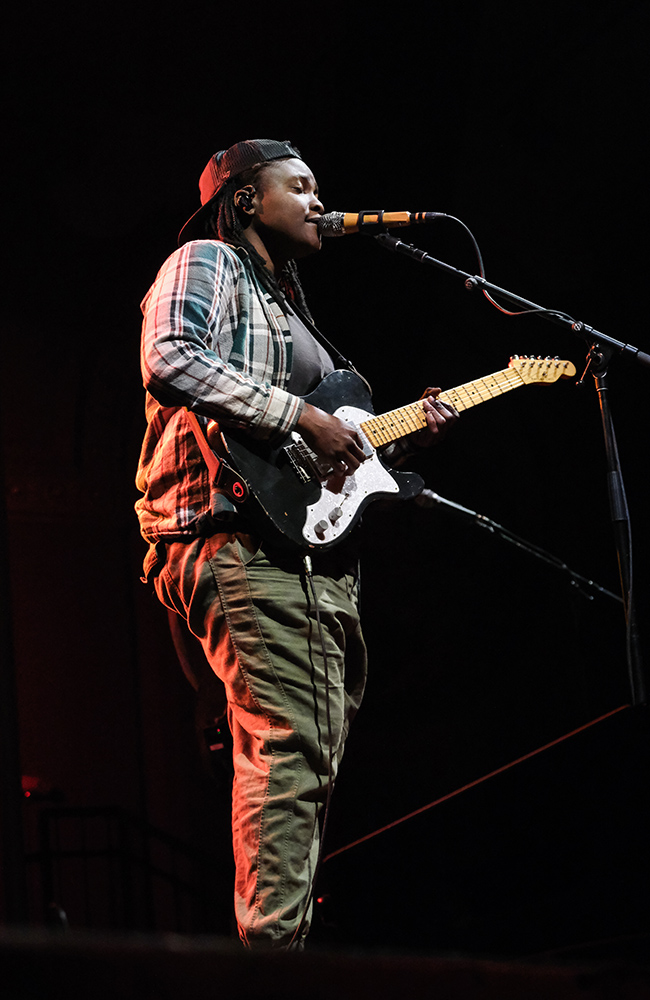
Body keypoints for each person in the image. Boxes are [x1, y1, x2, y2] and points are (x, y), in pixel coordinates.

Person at [135, 139, 458, 949]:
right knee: (290, 748)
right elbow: (169, 355)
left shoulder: (291, 307)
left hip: (301, 549)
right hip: (235, 535)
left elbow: (319, 454)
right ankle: (272, 967)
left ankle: (282, 951)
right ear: (247, 199)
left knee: (310, 753)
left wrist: (397, 438)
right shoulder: (207, 260)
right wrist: (299, 415)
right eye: (302, 186)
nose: (321, 203)